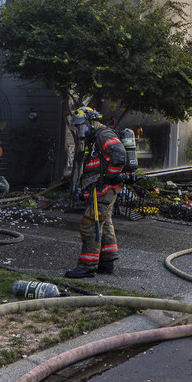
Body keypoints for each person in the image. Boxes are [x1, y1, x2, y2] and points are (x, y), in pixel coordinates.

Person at [66, 107, 127, 279]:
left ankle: (87, 266)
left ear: (91, 121)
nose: (79, 130)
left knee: (90, 224)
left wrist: (109, 177)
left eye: (81, 125)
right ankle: (107, 262)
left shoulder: (103, 135)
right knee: (104, 224)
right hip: (101, 189)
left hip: (104, 189)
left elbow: (120, 155)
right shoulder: (95, 138)